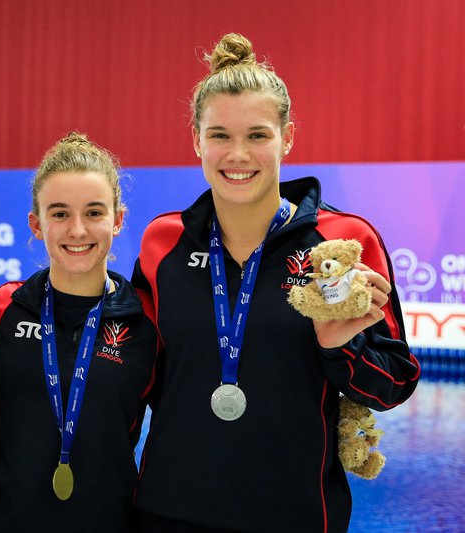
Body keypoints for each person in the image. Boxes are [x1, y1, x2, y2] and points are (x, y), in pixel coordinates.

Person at [130, 34, 420, 533]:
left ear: (287, 138)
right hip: (169, 508)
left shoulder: (342, 240)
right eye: (219, 135)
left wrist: (339, 349)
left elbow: (394, 384)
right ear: (196, 139)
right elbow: (138, 380)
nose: (237, 154)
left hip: (297, 512)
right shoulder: (163, 242)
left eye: (258, 135)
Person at [0, 133, 160, 532]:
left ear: (118, 220)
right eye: (59, 214)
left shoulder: (147, 322)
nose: (77, 230)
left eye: (94, 212)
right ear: (36, 224)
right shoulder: (3, 310)